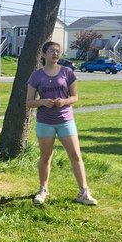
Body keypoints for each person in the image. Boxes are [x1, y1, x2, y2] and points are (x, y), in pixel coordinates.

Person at [26, 41, 97, 206]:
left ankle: (83, 192)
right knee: (45, 157)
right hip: (45, 123)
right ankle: (43, 189)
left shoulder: (67, 72)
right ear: (43, 54)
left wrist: (64, 101)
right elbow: (29, 102)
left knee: (76, 156)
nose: (55, 54)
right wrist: (43, 101)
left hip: (66, 121)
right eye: (51, 51)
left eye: (58, 51)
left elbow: (75, 97)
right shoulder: (36, 76)